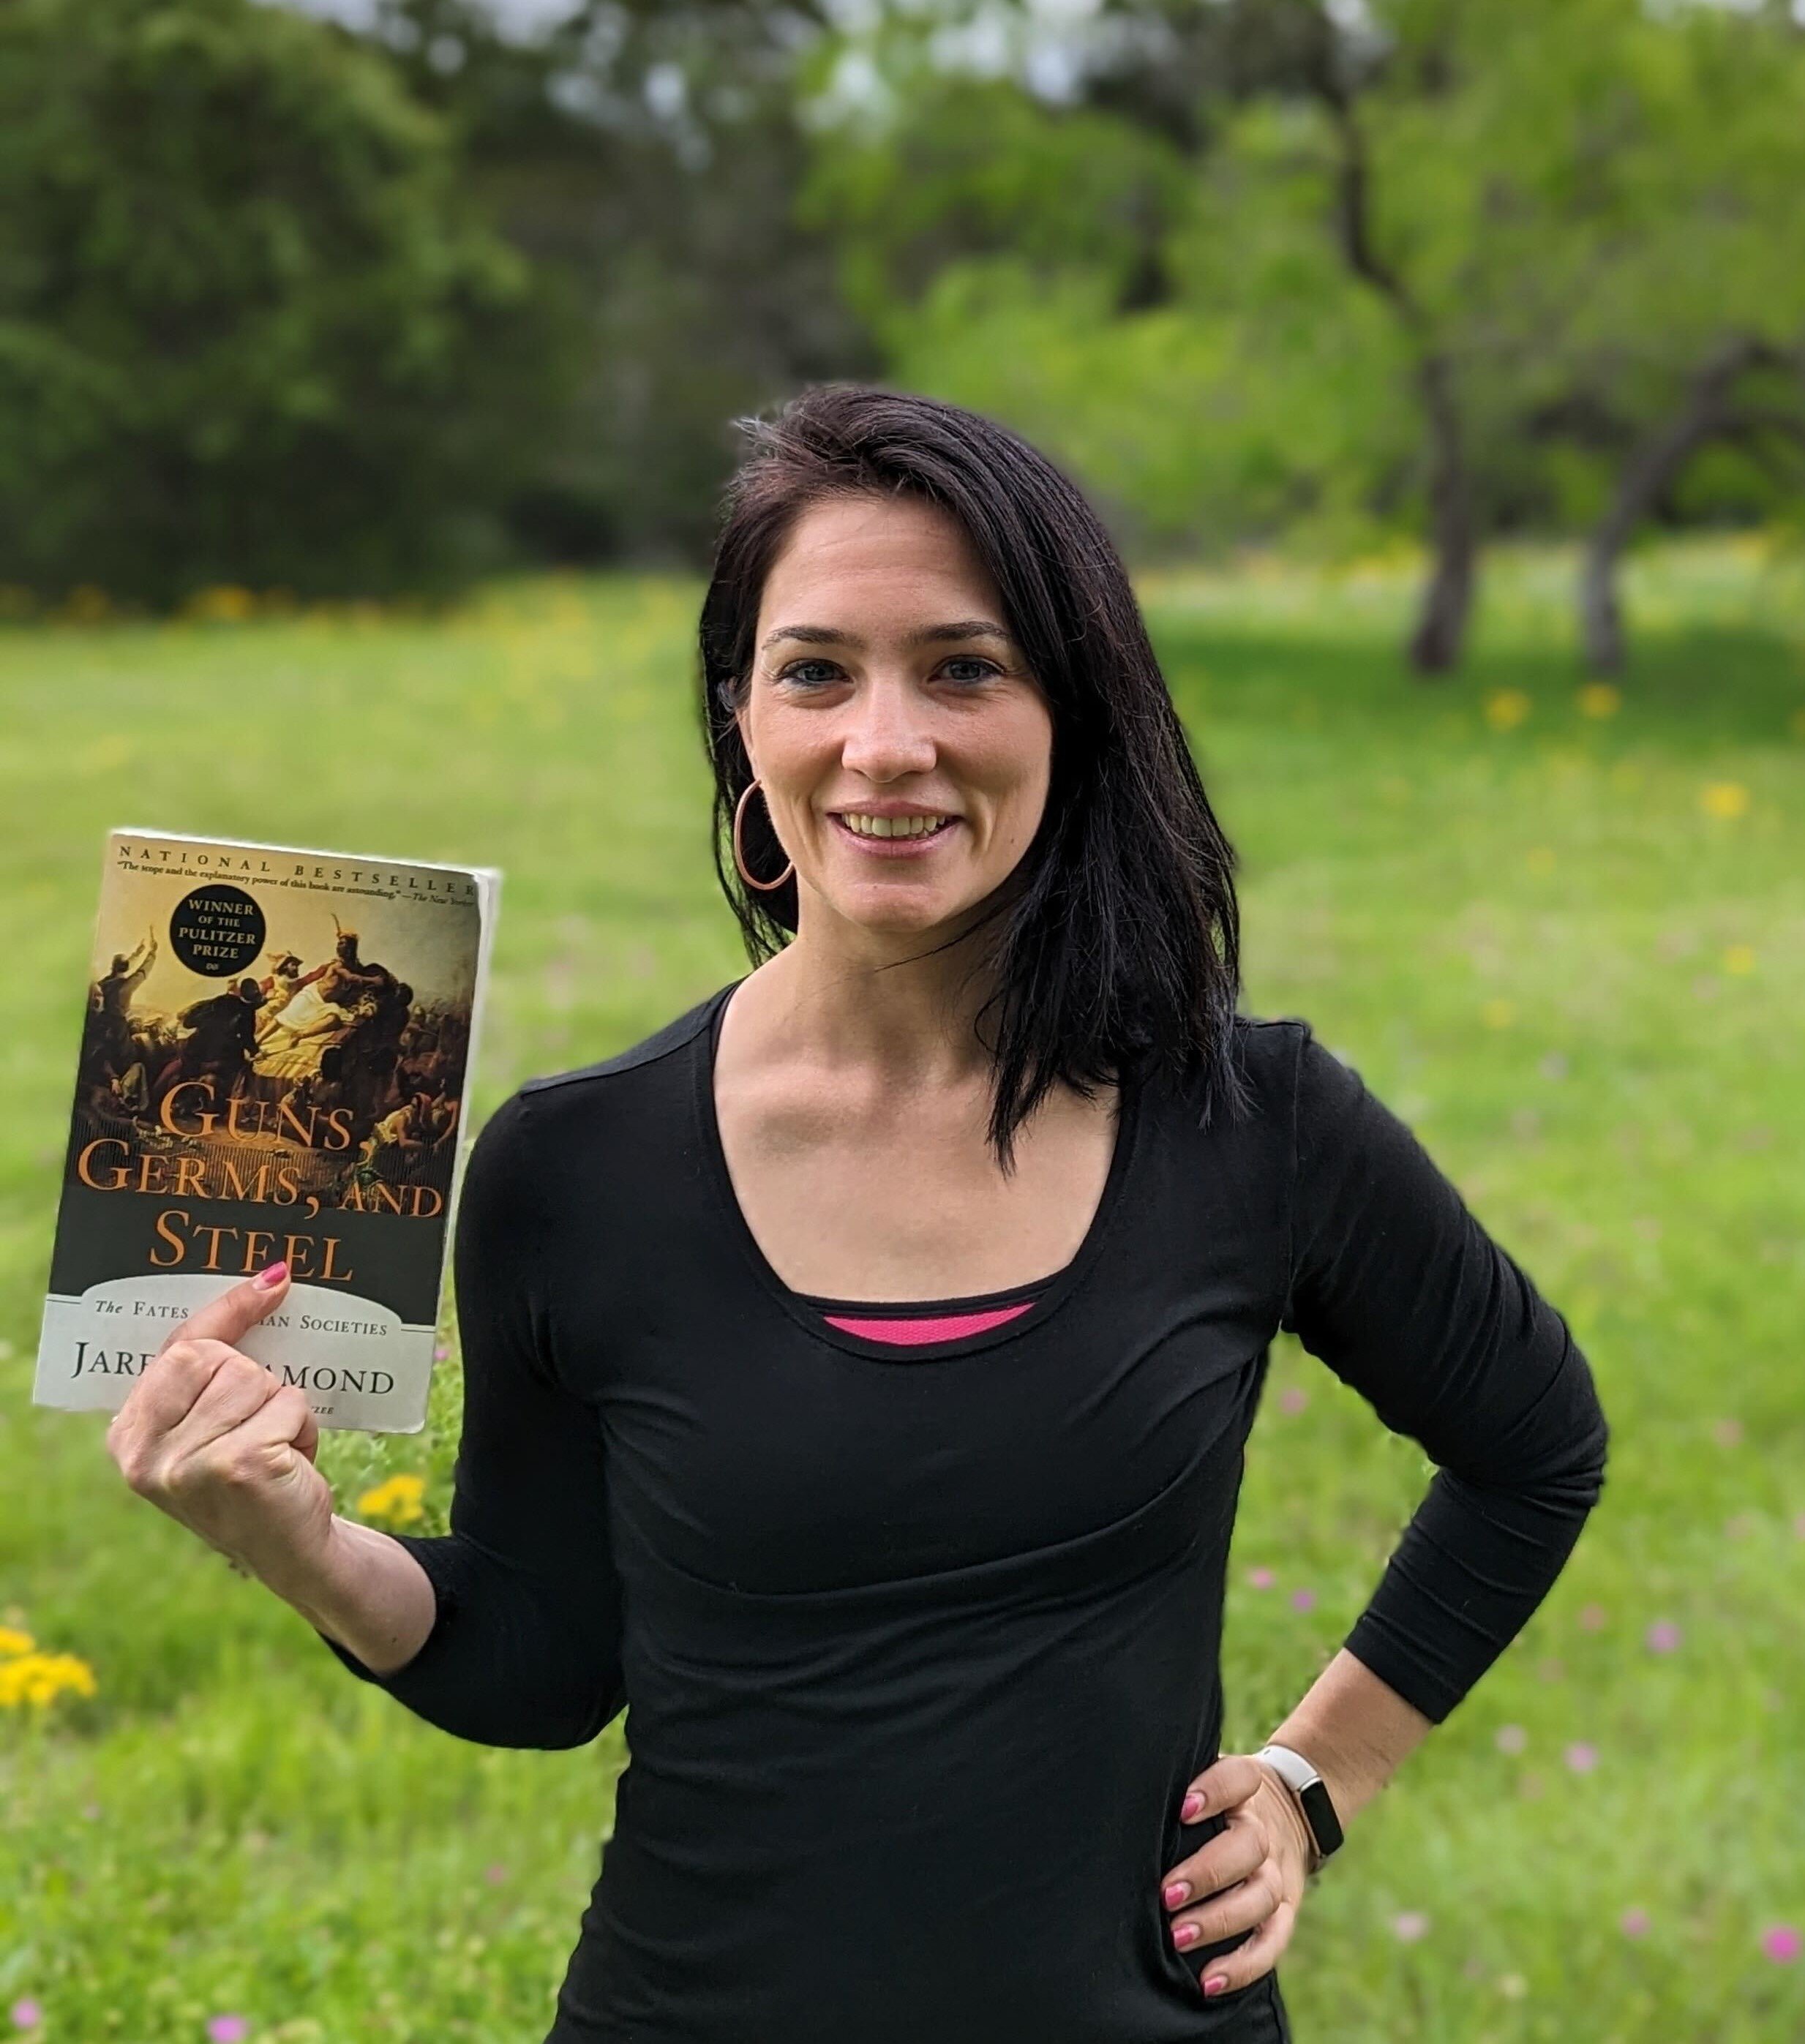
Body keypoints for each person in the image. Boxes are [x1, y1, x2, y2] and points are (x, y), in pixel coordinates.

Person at [105, 384, 1610, 2043]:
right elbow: (541, 1661)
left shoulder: (1249, 1121)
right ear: (740, 713)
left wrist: (1312, 1778)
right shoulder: (571, 1167)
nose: (884, 743)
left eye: (964, 666)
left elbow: (1533, 1443)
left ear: (1074, 710)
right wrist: (299, 1546)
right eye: (816, 668)